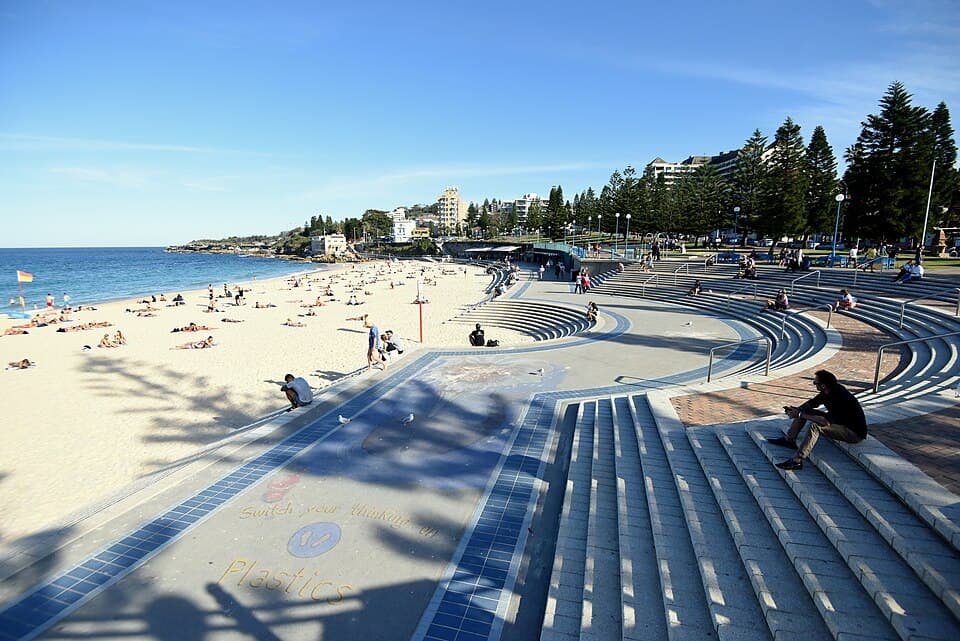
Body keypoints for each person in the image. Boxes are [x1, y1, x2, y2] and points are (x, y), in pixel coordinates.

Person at [767, 370, 867, 471]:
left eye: (815, 382)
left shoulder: (840, 397)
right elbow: (812, 403)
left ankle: (797, 460)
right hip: (839, 422)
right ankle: (789, 439)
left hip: (853, 432)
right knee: (804, 411)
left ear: (823, 385)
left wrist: (800, 415)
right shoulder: (827, 391)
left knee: (815, 426)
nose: (814, 384)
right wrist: (797, 410)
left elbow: (825, 422)